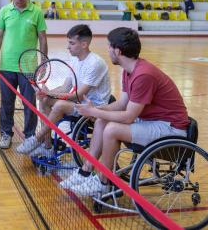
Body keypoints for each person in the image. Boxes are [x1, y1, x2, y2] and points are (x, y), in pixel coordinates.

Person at [60, 27, 189, 197]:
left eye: (109, 47)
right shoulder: (128, 70)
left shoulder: (143, 74)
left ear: (118, 51)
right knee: (102, 121)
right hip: (151, 122)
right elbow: (121, 104)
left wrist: (95, 111)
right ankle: (85, 170)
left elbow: (128, 116)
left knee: (112, 129)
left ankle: (103, 182)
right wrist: (94, 110)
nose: (108, 50)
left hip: (170, 128)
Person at [16, 24, 111, 157]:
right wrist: (46, 93)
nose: (68, 47)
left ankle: (36, 139)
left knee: (59, 105)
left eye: (72, 43)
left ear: (84, 44)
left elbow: (78, 94)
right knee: (44, 100)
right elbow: (66, 87)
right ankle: (47, 146)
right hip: (80, 103)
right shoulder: (74, 59)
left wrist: (50, 93)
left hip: (95, 108)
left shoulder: (95, 63)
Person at [0, 0, 48, 149]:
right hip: (7, 65)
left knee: (29, 103)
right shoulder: (4, 11)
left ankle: (30, 137)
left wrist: (44, 62)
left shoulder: (36, 12)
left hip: (29, 67)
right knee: (7, 103)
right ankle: (6, 134)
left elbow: (43, 39)